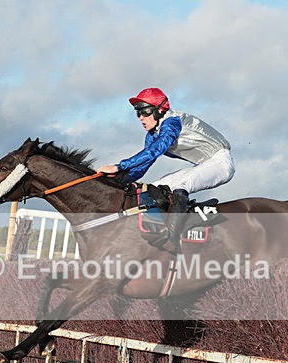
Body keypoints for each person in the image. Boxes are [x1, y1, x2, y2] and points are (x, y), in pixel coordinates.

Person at [97, 87, 235, 252]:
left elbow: (157, 149)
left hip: (221, 162)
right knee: (155, 187)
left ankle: (171, 237)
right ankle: (160, 227)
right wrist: (118, 180)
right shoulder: (152, 134)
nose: (141, 118)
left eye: (145, 112)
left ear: (159, 110)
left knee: (181, 186)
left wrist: (120, 166)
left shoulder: (172, 122)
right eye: (138, 113)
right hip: (203, 165)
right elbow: (143, 166)